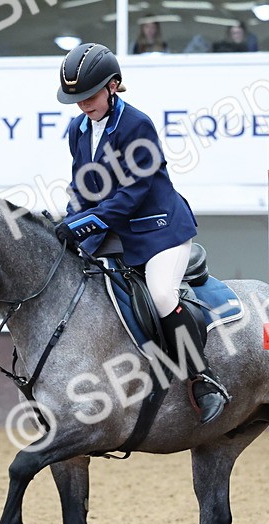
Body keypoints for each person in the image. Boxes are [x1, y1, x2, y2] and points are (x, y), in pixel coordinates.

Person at [54, 43, 229, 424]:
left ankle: (201, 378)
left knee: (163, 293)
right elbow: (83, 186)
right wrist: (68, 220)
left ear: (113, 85)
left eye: (89, 95)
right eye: (76, 98)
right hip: (114, 232)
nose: (83, 104)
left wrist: (82, 224)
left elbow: (132, 195)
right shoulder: (77, 129)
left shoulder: (136, 124)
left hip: (158, 231)